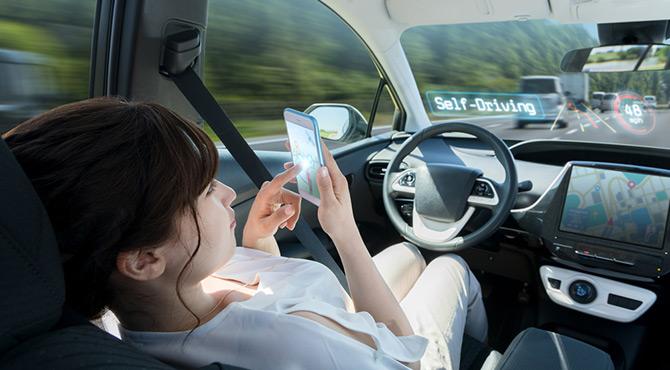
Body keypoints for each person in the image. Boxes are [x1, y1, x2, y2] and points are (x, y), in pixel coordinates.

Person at [3, 97, 491, 370]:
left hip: (342, 323)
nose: (221, 193)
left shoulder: (125, 311)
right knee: (450, 265)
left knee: (406, 253)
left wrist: (259, 245)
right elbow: (401, 354)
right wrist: (344, 234)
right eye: (199, 192)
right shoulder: (293, 347)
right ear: (144, 260)